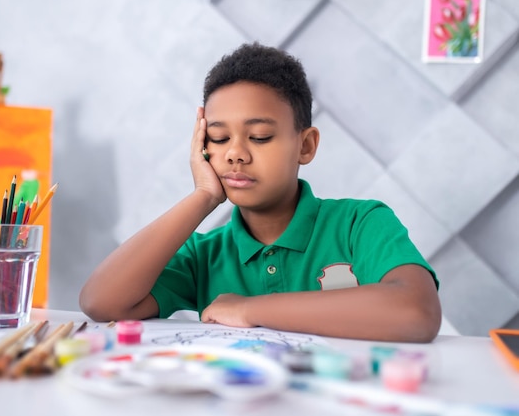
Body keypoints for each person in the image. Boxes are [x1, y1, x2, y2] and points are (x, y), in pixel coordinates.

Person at [80, 43, 442, 343]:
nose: (235, 153)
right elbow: (101, 302)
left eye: (260, 137)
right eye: (219, 139)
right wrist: (203, 195)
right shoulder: (204, 256)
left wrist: (248, 308)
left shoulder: (358, 224)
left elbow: (416, 312)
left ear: (306, 145)